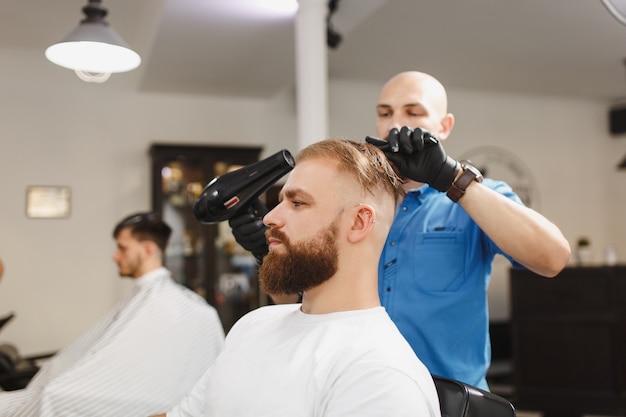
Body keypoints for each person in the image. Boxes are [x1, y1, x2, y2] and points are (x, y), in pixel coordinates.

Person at [230, 71, 571, 390]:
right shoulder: (355, 205)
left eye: (413, 113)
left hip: (449, 400)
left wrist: (450, 178)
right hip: (359, 390)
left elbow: (552, 259)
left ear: (444, 125)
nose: (396, 125)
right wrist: (270, 251)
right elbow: (300, 302)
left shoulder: (476, 196)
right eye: (385, 113)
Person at [154, 139, 442, 417]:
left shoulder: (378, 374)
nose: (269, 218)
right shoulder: (253, 325)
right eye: (281, 201)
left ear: (358, 222)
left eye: (298, 203)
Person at [0, 212, 225, 416]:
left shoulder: (179, 306)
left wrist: (57, 392)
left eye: (122, 248)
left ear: (147, 249)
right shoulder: (147, 296)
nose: (115, 256)